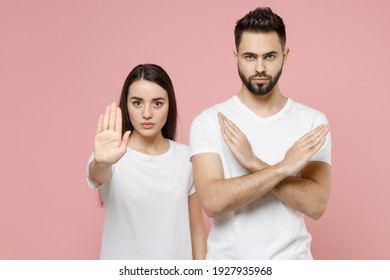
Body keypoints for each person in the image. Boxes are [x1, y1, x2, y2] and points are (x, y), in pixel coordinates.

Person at [190, 7, 332, 259]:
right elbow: (212, 202)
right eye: (249, 56)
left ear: (285, 55)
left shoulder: (313, 122)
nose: (259, 67)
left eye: (269, 56)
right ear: (235, 56)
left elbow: (316, 205)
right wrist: (282, 167)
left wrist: (254, 163)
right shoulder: (209, 122)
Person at [86, 64, 207, 260]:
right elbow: (98, 173)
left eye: (157, 103)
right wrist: (101, 162)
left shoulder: (186, 159)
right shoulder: (110, 155)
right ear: (126, 105)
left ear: (170, 105)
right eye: (137, 103)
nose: (147, 114)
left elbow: (197, 230)